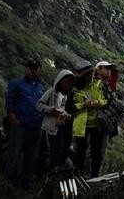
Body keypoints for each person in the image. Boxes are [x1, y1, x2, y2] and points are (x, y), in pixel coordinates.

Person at [5, 58, 46, 187]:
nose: (33, 71)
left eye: (36, 68)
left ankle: (26, 182)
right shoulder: (16, 84)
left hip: (36, 126)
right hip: (20, 125)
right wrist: (12, 116)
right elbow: (10, 100)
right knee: (14, 155)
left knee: (32, 157)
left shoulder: (41, 87)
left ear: (39, 70)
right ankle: (10, 183)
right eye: (31, 68)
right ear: (26, 69)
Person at [72, 62, 108, 178]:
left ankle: (94, 176)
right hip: (81, 125)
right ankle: (78, 176)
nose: (90, 75)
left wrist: (98, 103)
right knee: (80, 153)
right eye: (87, 74)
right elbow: (71, 108)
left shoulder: (98, 85)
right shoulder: (75, 88)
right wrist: (83, 105)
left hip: (96, 124)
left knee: (96, 153)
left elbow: (105, 101)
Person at [36, 69, 75, 172]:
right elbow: (38, 105)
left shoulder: (65, 96)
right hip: (49, 128)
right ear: (60, 81)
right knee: (50, 152)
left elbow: (63, 110)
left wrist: (66, 115)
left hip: (59, 127)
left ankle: (54, 174)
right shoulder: (51, 92)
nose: (68, 84)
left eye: (70, 82)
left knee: (58, 152)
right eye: (66, 81)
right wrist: (50, 110)